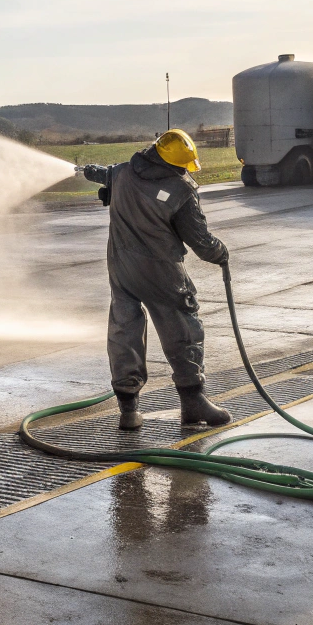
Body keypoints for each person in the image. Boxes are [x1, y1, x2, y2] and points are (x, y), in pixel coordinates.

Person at [82, 129, 233, 431]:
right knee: (182, 329)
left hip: (121, 268)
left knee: (125, 331)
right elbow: (201, 243)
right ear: (177, 164)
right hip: (162, 272)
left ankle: (128, 409)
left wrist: (92, 171)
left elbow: (105, 175)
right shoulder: (180, 192)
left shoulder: (122, 172)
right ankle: (193, 401)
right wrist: (221, 253)